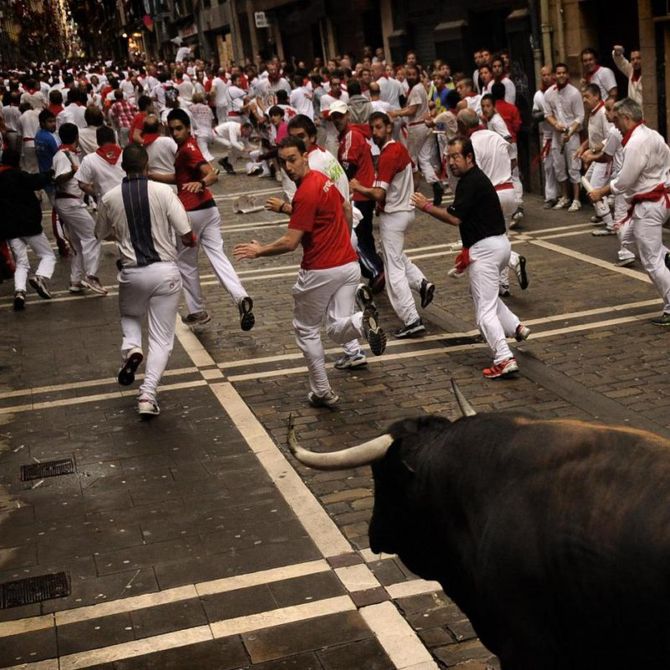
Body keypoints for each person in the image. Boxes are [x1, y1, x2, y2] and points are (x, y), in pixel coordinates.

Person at [234, 136, 387, 408]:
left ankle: (322, 391)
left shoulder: (305, 192)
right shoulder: (322, 179)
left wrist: (260, 250)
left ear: (306, 156)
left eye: (292, 159)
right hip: (348, 264)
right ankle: (362, 321)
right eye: (283, 162)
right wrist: (343, 236)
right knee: (338, 328)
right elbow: (343, 208)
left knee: (306, 330)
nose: (288, 167)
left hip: (321, 268)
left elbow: (290, 242)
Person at [411, 137, 530, 378]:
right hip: (497, 246)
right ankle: (515, 326)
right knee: (485, 296)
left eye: (456, 156)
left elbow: (455, 218)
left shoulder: (469, 182)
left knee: (483, 311)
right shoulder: (474, 179)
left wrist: (426, 207)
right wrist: (468, 254)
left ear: (469, 158)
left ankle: (504, 357)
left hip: (487, 249)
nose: (451, 162)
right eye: (448, 157)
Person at [96, 145, 194, 417]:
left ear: (122, 167)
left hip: (132, 272)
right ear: (147, 164)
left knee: (129, 315)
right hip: (165, 272)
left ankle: (131, 349)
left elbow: (100, 233)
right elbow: (186, 232)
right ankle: (147, 395)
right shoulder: (164, 192)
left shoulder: (110, 197)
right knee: (162, 339)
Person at [151, 108, 254, 330]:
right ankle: (240, 296)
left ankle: (197, 310)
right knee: (218, 256)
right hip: (208, 210)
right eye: (172, 129)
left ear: (188, 128)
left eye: (179, 128)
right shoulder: (187, 147)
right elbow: (179, 178)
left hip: (190, 213)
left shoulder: (188, 149)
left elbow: (211, 173)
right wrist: (151, 175)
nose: (175, 133)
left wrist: (203, 182)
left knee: (186, 263)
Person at [351, 111, 435, 338]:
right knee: (393, 256)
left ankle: (411, 318)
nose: (375, 132)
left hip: (394, 215)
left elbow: (378, 193)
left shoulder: (389, 154)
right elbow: (416, 175)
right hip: (405, 211)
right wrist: (407, 194)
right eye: (373, 128)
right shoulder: (400, 149)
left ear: (388, 127)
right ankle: (421, 283)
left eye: (379, 127)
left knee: (393, 269)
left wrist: (358, 187)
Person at [588, 98, 670, 326]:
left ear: (626, 118)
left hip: (649, 204)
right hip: (657, 202)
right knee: (626, 235)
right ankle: (667, 255)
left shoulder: (636, 142)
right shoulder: (652, 134)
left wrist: (601, 191)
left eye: (617, 120)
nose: (616, 125)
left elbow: (625, 180)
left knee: (651, 261)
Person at [457, 109, 528, 295]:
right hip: (508, 191)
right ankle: (503, 285)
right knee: (501, 237)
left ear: (463, 126)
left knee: (486, 240)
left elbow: (474, 173)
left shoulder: (470, 144)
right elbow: (513, 159)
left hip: (490, 196)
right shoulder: (496, 137)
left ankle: (513, 259)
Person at [328, 100, 385, 291]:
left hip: (358, 194)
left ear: (348, 116)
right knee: (364, 236)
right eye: (334, 117)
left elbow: (347, 169)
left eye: (340, 116)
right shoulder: (350, 135)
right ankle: (377, 269)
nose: (337, 120)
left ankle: (375, 270)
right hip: (362, 192)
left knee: (355, 238)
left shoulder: (351, 135)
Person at [52, 122, 107, 295]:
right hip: (70, 203)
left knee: (78, 244)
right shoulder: (63, 155)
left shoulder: (69, 154)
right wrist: (72, 172)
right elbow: (59, 179)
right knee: (93, 236)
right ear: (77, 136)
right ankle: (91, 275)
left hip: (70, 203)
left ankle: (75, 280)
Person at [0, 148, 56, 310]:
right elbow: (37, 180)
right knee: (47, 255)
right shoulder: (20, 176)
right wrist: (50, 173)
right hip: (29, 225)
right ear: (17, 161)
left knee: (22, 263)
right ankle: (40, 276)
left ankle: (19, 292)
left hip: (10, 229)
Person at [389, 66, 443, 206]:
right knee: (424, 159)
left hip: (417, 127)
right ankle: (435, 183)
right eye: (409, 74)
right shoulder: (419, 88)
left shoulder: (417, 89)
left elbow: (412, 110)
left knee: (411, 160)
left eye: (413, 74)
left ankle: (410, 191)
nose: (411, 76)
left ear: (418, 75)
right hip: (424, 126)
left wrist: (397, 113)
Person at [544, 63, 584, 212]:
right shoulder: (549, 93)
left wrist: (570, 131)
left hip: (572, 134)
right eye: (558, 73)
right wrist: (555, 124)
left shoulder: (574, 93)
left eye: (563, 73)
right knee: (558, 166)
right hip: (557, 134)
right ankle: (565, 197)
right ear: (555, 75)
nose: (561, 75)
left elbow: (580, 116)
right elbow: (547, 114)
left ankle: (576, 199)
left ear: (567, 75)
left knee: (574, 166)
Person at [532, 65, 559, 208]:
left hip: (561, 132)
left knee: (562, 166)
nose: (546, 77)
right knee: (548, 167)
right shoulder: (538, 95)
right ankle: (551, 197)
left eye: (548, 74)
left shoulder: (558, 91)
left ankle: (566, 196)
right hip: (548, 134)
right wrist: (547, 114)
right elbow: (534, 115)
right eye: (543, 75)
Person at [75, 125, 125, 200]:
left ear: (98, 141)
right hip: (127, 198)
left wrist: (96, 195)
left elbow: (82, 185)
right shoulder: (126, 155)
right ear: (114, 139)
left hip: (105, 200)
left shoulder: (89, 159)